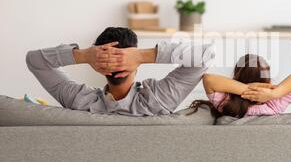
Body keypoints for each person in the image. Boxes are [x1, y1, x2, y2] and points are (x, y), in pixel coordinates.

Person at [26, 27, 215, 116]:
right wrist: (142, 56)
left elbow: (34, 61)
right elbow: (207, 55)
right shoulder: (157, 99)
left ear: (99, 69)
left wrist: (83, 56)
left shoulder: (80, 101)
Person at [189, 54, 291, 118]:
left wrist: (245, 89)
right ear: (268, 79)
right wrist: (271, 93)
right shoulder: (273, 104)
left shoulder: (226, 103)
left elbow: (208, 79)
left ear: (236, 76)